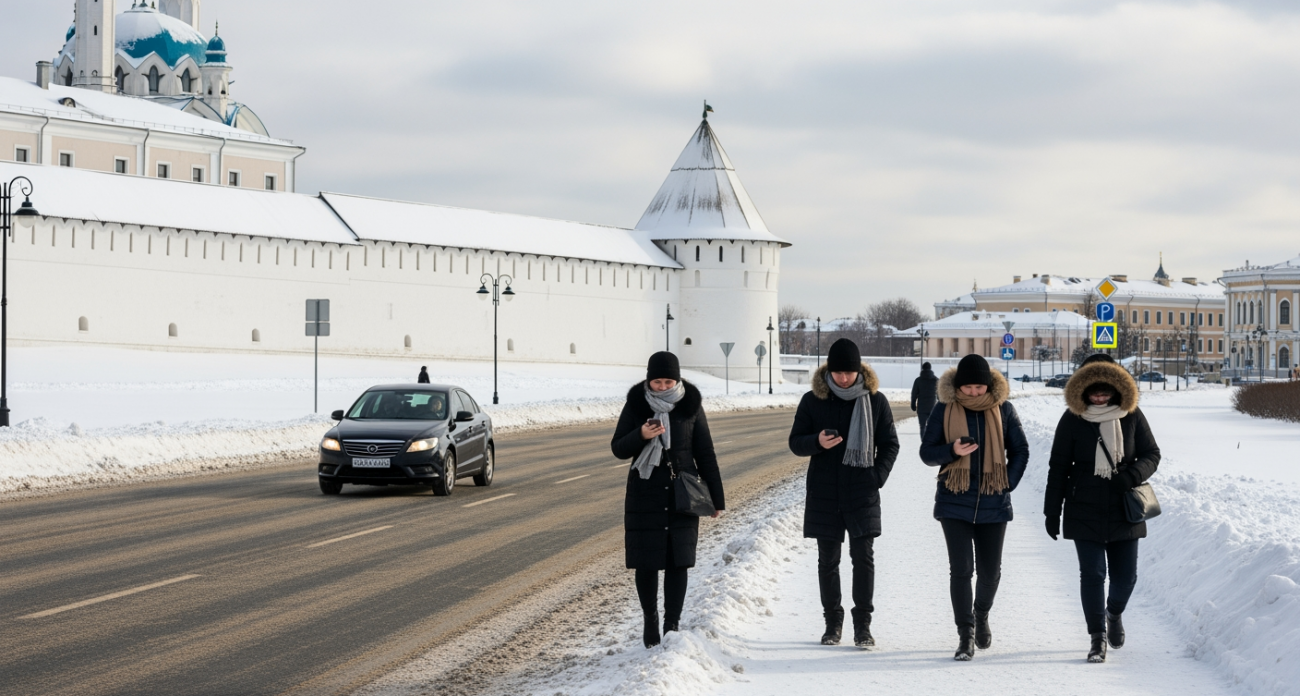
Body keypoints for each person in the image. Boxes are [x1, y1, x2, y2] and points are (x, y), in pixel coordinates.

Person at [1045, 354, 1160, 663]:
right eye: (1093, 391)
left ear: (1116, 387)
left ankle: (1114, 613)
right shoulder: (1072, 419)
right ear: (1082, 389)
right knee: (1093, 573)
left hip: (1125, 506)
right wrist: (1051, 511)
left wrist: (1132, 475)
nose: (1099, 396)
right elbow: (1058, 467)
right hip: (1083, 506)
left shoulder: (1132, 415)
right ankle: (1097, 638)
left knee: (1126, 578)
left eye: (1104, 391)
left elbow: (1152, 453)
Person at [789, 338, 899, 649]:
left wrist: (876, 476)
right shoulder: (813, 400)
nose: (843, 378)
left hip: (862, 492)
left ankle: (863, 626)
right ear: (828, 371)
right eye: (837, 373)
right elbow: (795, 442)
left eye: (848, 373)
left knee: (863, 559)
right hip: (824, 492)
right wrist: (816, 443)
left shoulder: (875, 401)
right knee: (828, 561)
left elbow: (890, 444)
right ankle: (832, 624)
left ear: (858, 370)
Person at [919, 354, 1029, 661]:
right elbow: (927, 453)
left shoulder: (1004, 409)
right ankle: (965, 634)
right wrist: (951, 451)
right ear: (958, 385)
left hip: (994, 501)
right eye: (967, 387)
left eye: (979, 387)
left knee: (990, 572)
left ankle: (981, 614)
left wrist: (1009, 481)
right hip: (954, 501)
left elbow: (1021, 449)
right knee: (962, 569)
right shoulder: (944, 409)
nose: (973, 393)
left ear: (989, 385)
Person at [611, 351, 725, 648]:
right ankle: (650, 621)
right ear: (649, 380)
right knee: (646, 563)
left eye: (667, 381)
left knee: (678, 562)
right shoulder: (636, 405)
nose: (662, 387)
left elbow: (706, 453)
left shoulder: (690, 407)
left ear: (677, 380)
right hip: (644, 493)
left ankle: (671, 624)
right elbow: (619, 448)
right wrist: (641, 434)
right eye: (657, 381)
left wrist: (717, 498)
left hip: (682, 496)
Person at [911, 362, 939, 436]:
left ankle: (923, 442)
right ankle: (930, 442)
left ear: (922, 368)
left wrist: (913, 404)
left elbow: (914, 393)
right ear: (930, 368)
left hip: (921, 408)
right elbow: (940, 394)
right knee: (932, 426)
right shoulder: (936, 380)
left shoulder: (918, 380)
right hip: (932, 407)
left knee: (922, 426)